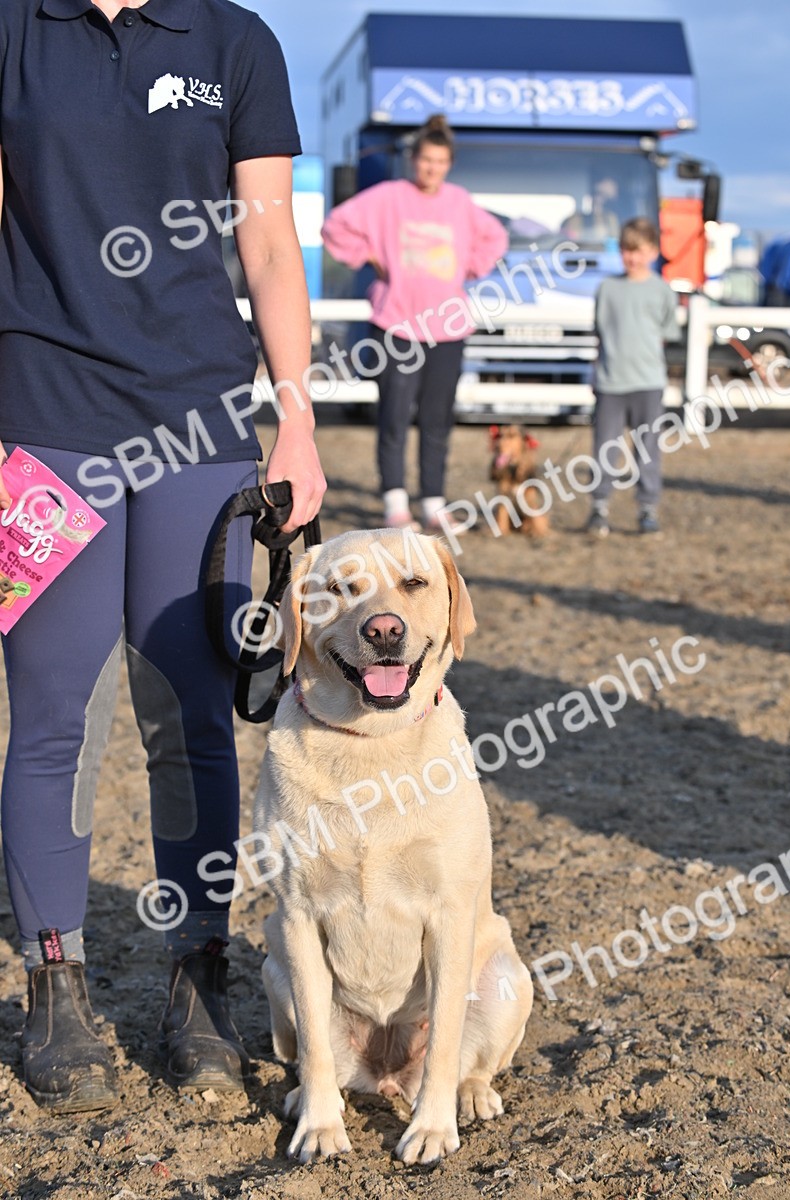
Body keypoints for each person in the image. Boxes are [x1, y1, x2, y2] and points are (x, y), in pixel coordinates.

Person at [0, 0, 325, 1113]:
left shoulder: (235, 43)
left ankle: (200, 982)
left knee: (192, 711)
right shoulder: (13, 29)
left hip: (198, 416)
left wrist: (297, 421)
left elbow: (270, 236)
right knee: (56, 712)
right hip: (40, 414)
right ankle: (56, 988)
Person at [321, 115, 508, 532]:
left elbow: (496, 238)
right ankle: (394, 501)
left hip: (449, 327)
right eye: (425, 160)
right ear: (413, 160)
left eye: (439, 162)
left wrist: (471, 267)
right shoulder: (388, 197)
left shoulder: (459, 202)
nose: (431, 169)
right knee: (393, 415)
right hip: (397, 325)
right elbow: (335, 226)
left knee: (438, 418)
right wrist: (369, 256)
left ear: (449, 164)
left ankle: (433, 500)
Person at [586, 217, 680, 537]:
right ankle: (599, 506)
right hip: (611, 383)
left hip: (647, 383)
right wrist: (596, 375)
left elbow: (667, 332)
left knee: (648, 447)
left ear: (653, 252)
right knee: (604, 448)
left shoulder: (661, 291)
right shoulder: (608, 288)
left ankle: (647, 508)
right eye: (627, 250)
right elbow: (601, 333)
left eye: (638, 250)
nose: (632, 257)